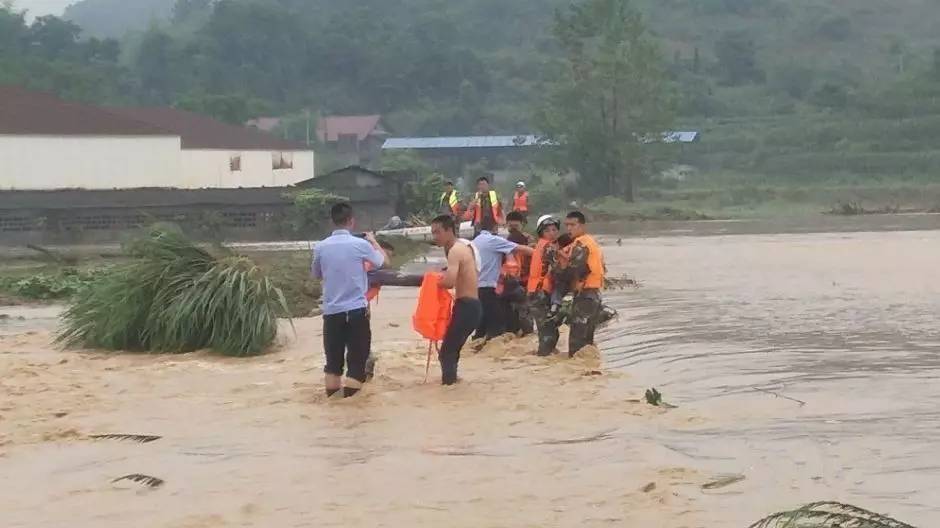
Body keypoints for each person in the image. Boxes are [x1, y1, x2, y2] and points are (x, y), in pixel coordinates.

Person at [311, 203, 388, 398]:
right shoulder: (360, 245)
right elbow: (383, 262)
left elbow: (316, 274)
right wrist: (373, 241)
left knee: (333, 363)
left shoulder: (321, 247)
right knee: (356, 362)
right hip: (356, 311)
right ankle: (351, 409)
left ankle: (334, 405)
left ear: (332, 222)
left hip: (332, 312)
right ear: (351, 222)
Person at [430, 214, 482, 385]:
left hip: (467, 306)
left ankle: (449, 387)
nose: (434, 237)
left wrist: (432, 282)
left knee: (447, 351)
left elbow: (449, 281)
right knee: (452, 349)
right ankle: (454, 385)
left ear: (449, 230)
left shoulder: (455, 250)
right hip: (471, 306)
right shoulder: (461, 248)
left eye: (437, 232)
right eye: (433, 233)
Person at [472, 216, 533, 340]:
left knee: (482, 324)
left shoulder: (475, 242)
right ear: (495, 227)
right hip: (490, 288)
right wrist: (541, 252)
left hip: (475, 288)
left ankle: (478, 346)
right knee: (496, 326)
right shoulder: (494, 241)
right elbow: (521, 249)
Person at [557, 211, 605, 357]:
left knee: (577, 343)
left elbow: (575, 270)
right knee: (587, 341)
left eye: (573, 225)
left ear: (582, 226)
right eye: (567, 225)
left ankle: (576, 373)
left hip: (585, 295)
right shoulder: (592, 242)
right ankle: (588, 372)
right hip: (595, 294)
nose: (569, 229)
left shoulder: (581, 244)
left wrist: (560, 267)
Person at [527, 215, 562, 356]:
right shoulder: (548, 247)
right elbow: (559, 270)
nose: (552, 233)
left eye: (554, 230)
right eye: (548, 230)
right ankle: (542, 360)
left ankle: (545, 358)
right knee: (548, 334)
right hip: (539, 293)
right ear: (541, 232)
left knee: (548, 331)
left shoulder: (540, 244)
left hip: (536, 292)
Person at [503, 211, 535, 336]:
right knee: (511, 314)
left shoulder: (529, 241)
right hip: (511, 282)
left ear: (522, 225)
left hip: (526, 281)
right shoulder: (504, 241)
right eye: (511, 227)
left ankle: (527, 334)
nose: (513, 229)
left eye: (515, 227)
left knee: (525, 313)